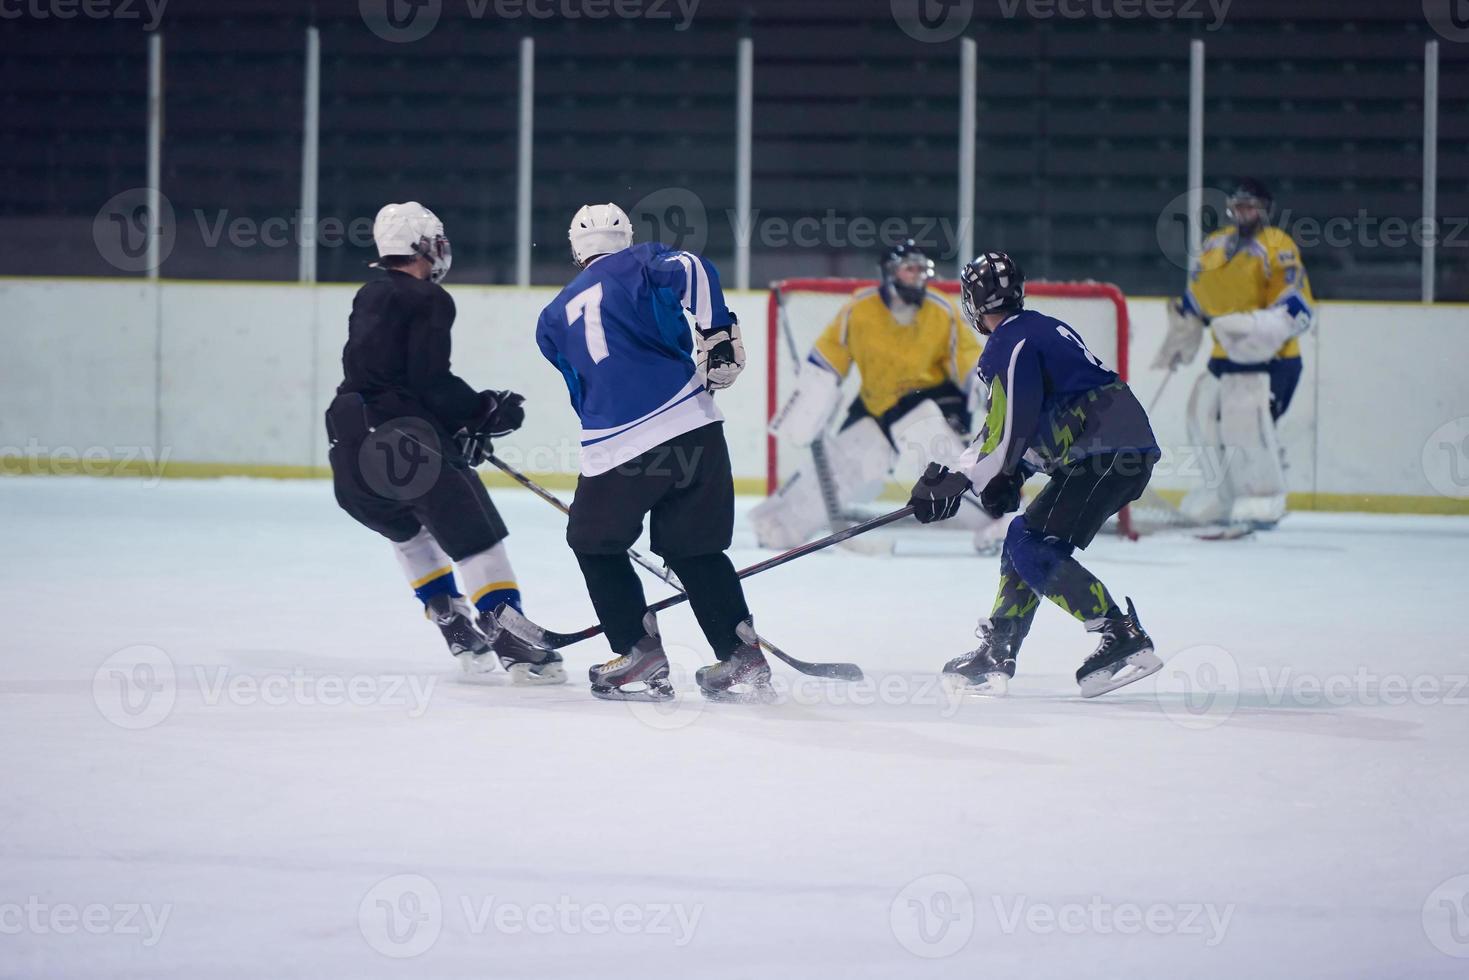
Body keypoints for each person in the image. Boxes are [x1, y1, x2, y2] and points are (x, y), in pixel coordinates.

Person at [532, 203, 771, 703]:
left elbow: (580, 387)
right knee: (696, 548)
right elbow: (694, 268)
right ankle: (741, 655)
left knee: (593, 541)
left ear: (576, 250)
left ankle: (638, 651)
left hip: (619, 445)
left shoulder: (552, 317)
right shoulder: (644, 260)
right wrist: (718, 335)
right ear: (626, 237)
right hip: (695, 426)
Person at [325, 201, 565, 684]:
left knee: (410, 533)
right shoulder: (427, 298)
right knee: (476, 537)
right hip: (401, 440)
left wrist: (447, 430)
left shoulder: (369, 293)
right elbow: (430, 380)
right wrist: (482, 411)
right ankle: (511, 639)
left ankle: (451, 621)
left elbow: (390, 380)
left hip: (346, 439)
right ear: (424, 246)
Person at [908, 251, 1163, 698]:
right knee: (1022, 536)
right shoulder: (1038, 329)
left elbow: (1004, 428)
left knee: (1030, 543)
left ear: (972, 302)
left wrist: (959, 477)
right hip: (1110, 453)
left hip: (1105, 456)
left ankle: (1120, 634)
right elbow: (1042, 416)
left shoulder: (1008, 343)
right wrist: (1008, 474)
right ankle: (999, 650)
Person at [752, 241, 1006, 554]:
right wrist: (809, 408)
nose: (917, 276)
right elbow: (827, 360)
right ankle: (780, 525)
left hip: (929, 403)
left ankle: (1000, 517)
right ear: (889, 272)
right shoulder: (859, 309)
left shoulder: (941, 311)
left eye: (920, 269)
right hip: (877, 408)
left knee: (935, 450)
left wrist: (985, 387)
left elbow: (968, 359)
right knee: (844, 463)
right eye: (908, 268)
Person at [1154, 178, 1317, 527]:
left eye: (1251, 205)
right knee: (1205, 424)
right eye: (1238, 205)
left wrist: (1264, 328)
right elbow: (1197, 297)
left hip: (1273, 360)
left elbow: (1298, 303)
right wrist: (1183, 330)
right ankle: (1220, 496)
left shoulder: (1277, 245)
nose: (1243, 212)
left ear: (1264, 209)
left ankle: (1261, 499)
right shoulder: (1215, 244)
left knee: (1248, 429)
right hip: (1224, 356)